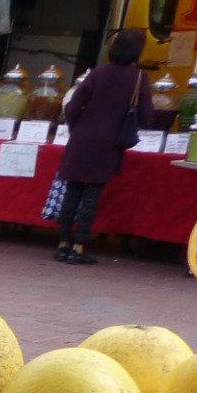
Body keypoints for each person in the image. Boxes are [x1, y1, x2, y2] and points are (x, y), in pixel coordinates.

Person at [55, 28, 153, 266]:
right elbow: (146, 116)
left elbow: (72, 106)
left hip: (81, 140)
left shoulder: (98, 73)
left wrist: (77, 128)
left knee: (72, 193)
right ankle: (79, 246)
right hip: (108, 144)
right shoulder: (138, 78)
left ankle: (63, 244)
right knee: (91, 196)